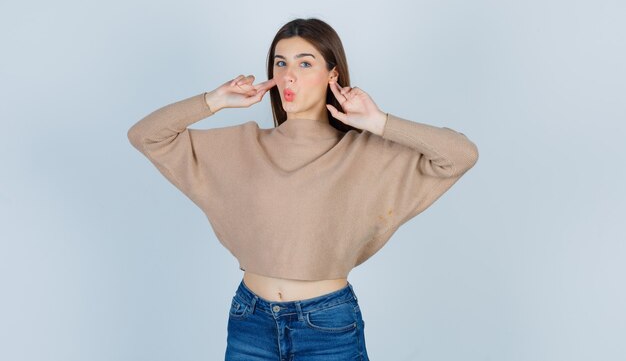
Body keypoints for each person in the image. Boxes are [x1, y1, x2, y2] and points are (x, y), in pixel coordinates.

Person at [127, 18, 479, 360]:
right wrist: (215, 101)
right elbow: (145, 136)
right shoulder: (242, 145)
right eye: (280, 63)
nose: (288, 75)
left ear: (333, 74)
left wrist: (378, 122)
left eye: (305, 63)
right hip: (250, 321)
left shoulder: (363, 153)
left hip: (327, 327)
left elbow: (460, 155)